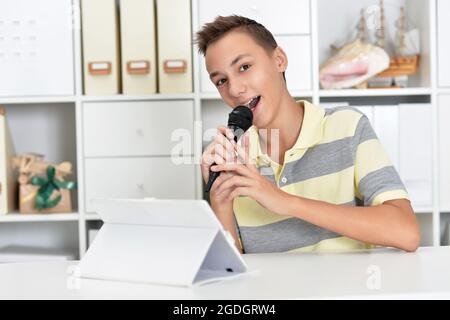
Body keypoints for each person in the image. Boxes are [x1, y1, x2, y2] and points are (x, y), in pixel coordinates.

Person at [196, 15, 420, 254]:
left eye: (244, 67)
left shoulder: (347, 127)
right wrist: (220, 203)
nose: (235, 89)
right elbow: (234, 272)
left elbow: (406, 232)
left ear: (279, 60)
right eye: (221, 80)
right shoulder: (233, 158)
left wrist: (284, 202)